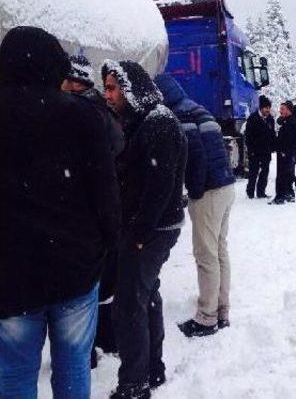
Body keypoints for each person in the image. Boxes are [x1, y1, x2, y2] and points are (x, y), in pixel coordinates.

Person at [0, 26, 120, 399]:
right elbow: (106, 195)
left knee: (15, 374)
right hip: (75, 270)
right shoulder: (83, 116)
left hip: (11, 277)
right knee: (73, 366)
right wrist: (108, 250)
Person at [102, 61, 187, 399]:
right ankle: (152, 369)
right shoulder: (144, 120)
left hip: (153, 229)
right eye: (106, 87)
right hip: (149, 226)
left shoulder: (159, 122)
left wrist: (138, 232)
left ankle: (134, 384)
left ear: (130, 87)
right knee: (145, 295)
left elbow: (160, 183)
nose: (108, 95)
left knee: (128, 303)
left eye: (112, 88)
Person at [154, 74, 236, 338]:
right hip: (226, 186)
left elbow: (196, 156)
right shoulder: (200, 110)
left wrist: (196, 191)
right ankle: (221, 309)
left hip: (209, 192)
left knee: (205, 254)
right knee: (220, 249)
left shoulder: (180, 117)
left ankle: (206, 317)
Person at [61, 54, 125, 369]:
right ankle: (104, 340)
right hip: (99, 209)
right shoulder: (101, 110)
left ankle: (89, 349)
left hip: (86, 211)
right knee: (100, 279)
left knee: (87, 285)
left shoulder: (81, 112)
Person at [244, 95, 276, 199]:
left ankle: (261, 192)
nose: (268, 110)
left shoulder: (270, 119)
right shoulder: (252, 119)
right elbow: (248, 136)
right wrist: (251, 150)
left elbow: (272, 134)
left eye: (269, 108)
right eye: (266, 108)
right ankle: (250, 192)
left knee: (265, 172)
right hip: (255, 151)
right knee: (253, 172)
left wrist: (273, 146)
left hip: (266, 151)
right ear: (261, 108)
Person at [270, 101, 296, 205]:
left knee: (282, 174)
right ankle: (289, 194)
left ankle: (280, 197)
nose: (280, 111)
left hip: (285, 153)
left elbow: (290, 140)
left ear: (288, 110)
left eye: (282, 109)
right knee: (288, 174)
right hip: (285, 153)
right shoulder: (286, 121)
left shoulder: (290, 123)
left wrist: (284, 151)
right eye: (280, 108)